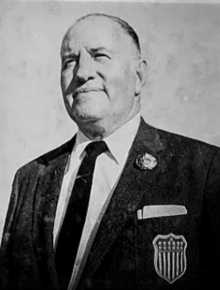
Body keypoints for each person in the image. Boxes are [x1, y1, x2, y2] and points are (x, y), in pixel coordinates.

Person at [0, 13, 220, 290]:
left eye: (99, 55)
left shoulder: (204, 168)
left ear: (139, 75)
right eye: (70, 61)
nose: (81, 73)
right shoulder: (30, 179)